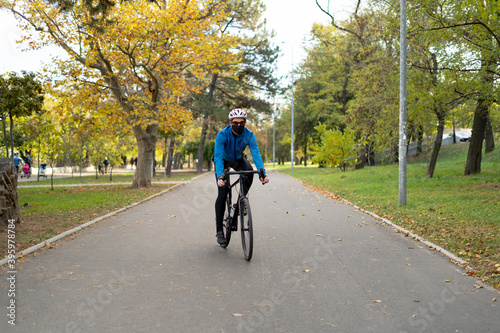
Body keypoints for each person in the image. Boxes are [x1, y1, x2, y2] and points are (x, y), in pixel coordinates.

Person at [213, 108, 269, 245]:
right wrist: (221, 176)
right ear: (230, 122)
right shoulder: (222, 135)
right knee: (223, 191)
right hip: (223, 161)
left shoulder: (249, 134)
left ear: (245, 122)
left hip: (238, 159)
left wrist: (262, 173)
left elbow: (255, 153)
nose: (238, 125)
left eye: (241, 123)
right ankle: (219, 231)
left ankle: (240, 202)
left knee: (249, 172)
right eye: (235, 122)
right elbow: (219, 157)